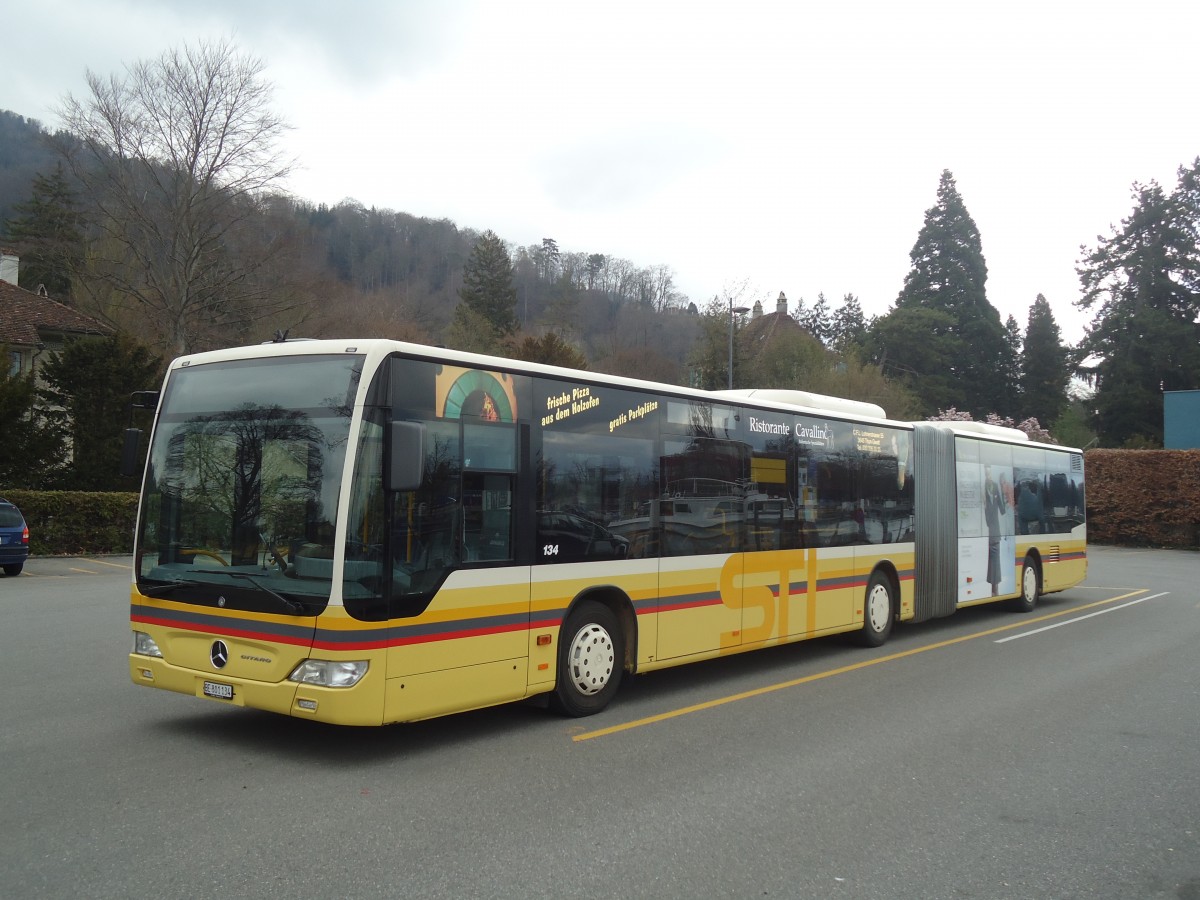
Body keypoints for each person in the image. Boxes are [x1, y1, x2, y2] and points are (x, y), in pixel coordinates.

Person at [983, 466, 1008, 596]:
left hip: (995, 528)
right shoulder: (982, 487)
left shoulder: (994, 486)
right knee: (991, 557)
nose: (988, 476)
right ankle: (993, 586)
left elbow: (1001, 507)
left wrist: (1005, 508)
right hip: (985, 528)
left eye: (989, 473)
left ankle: (995, 586)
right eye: (986, 474)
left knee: (995, 556)